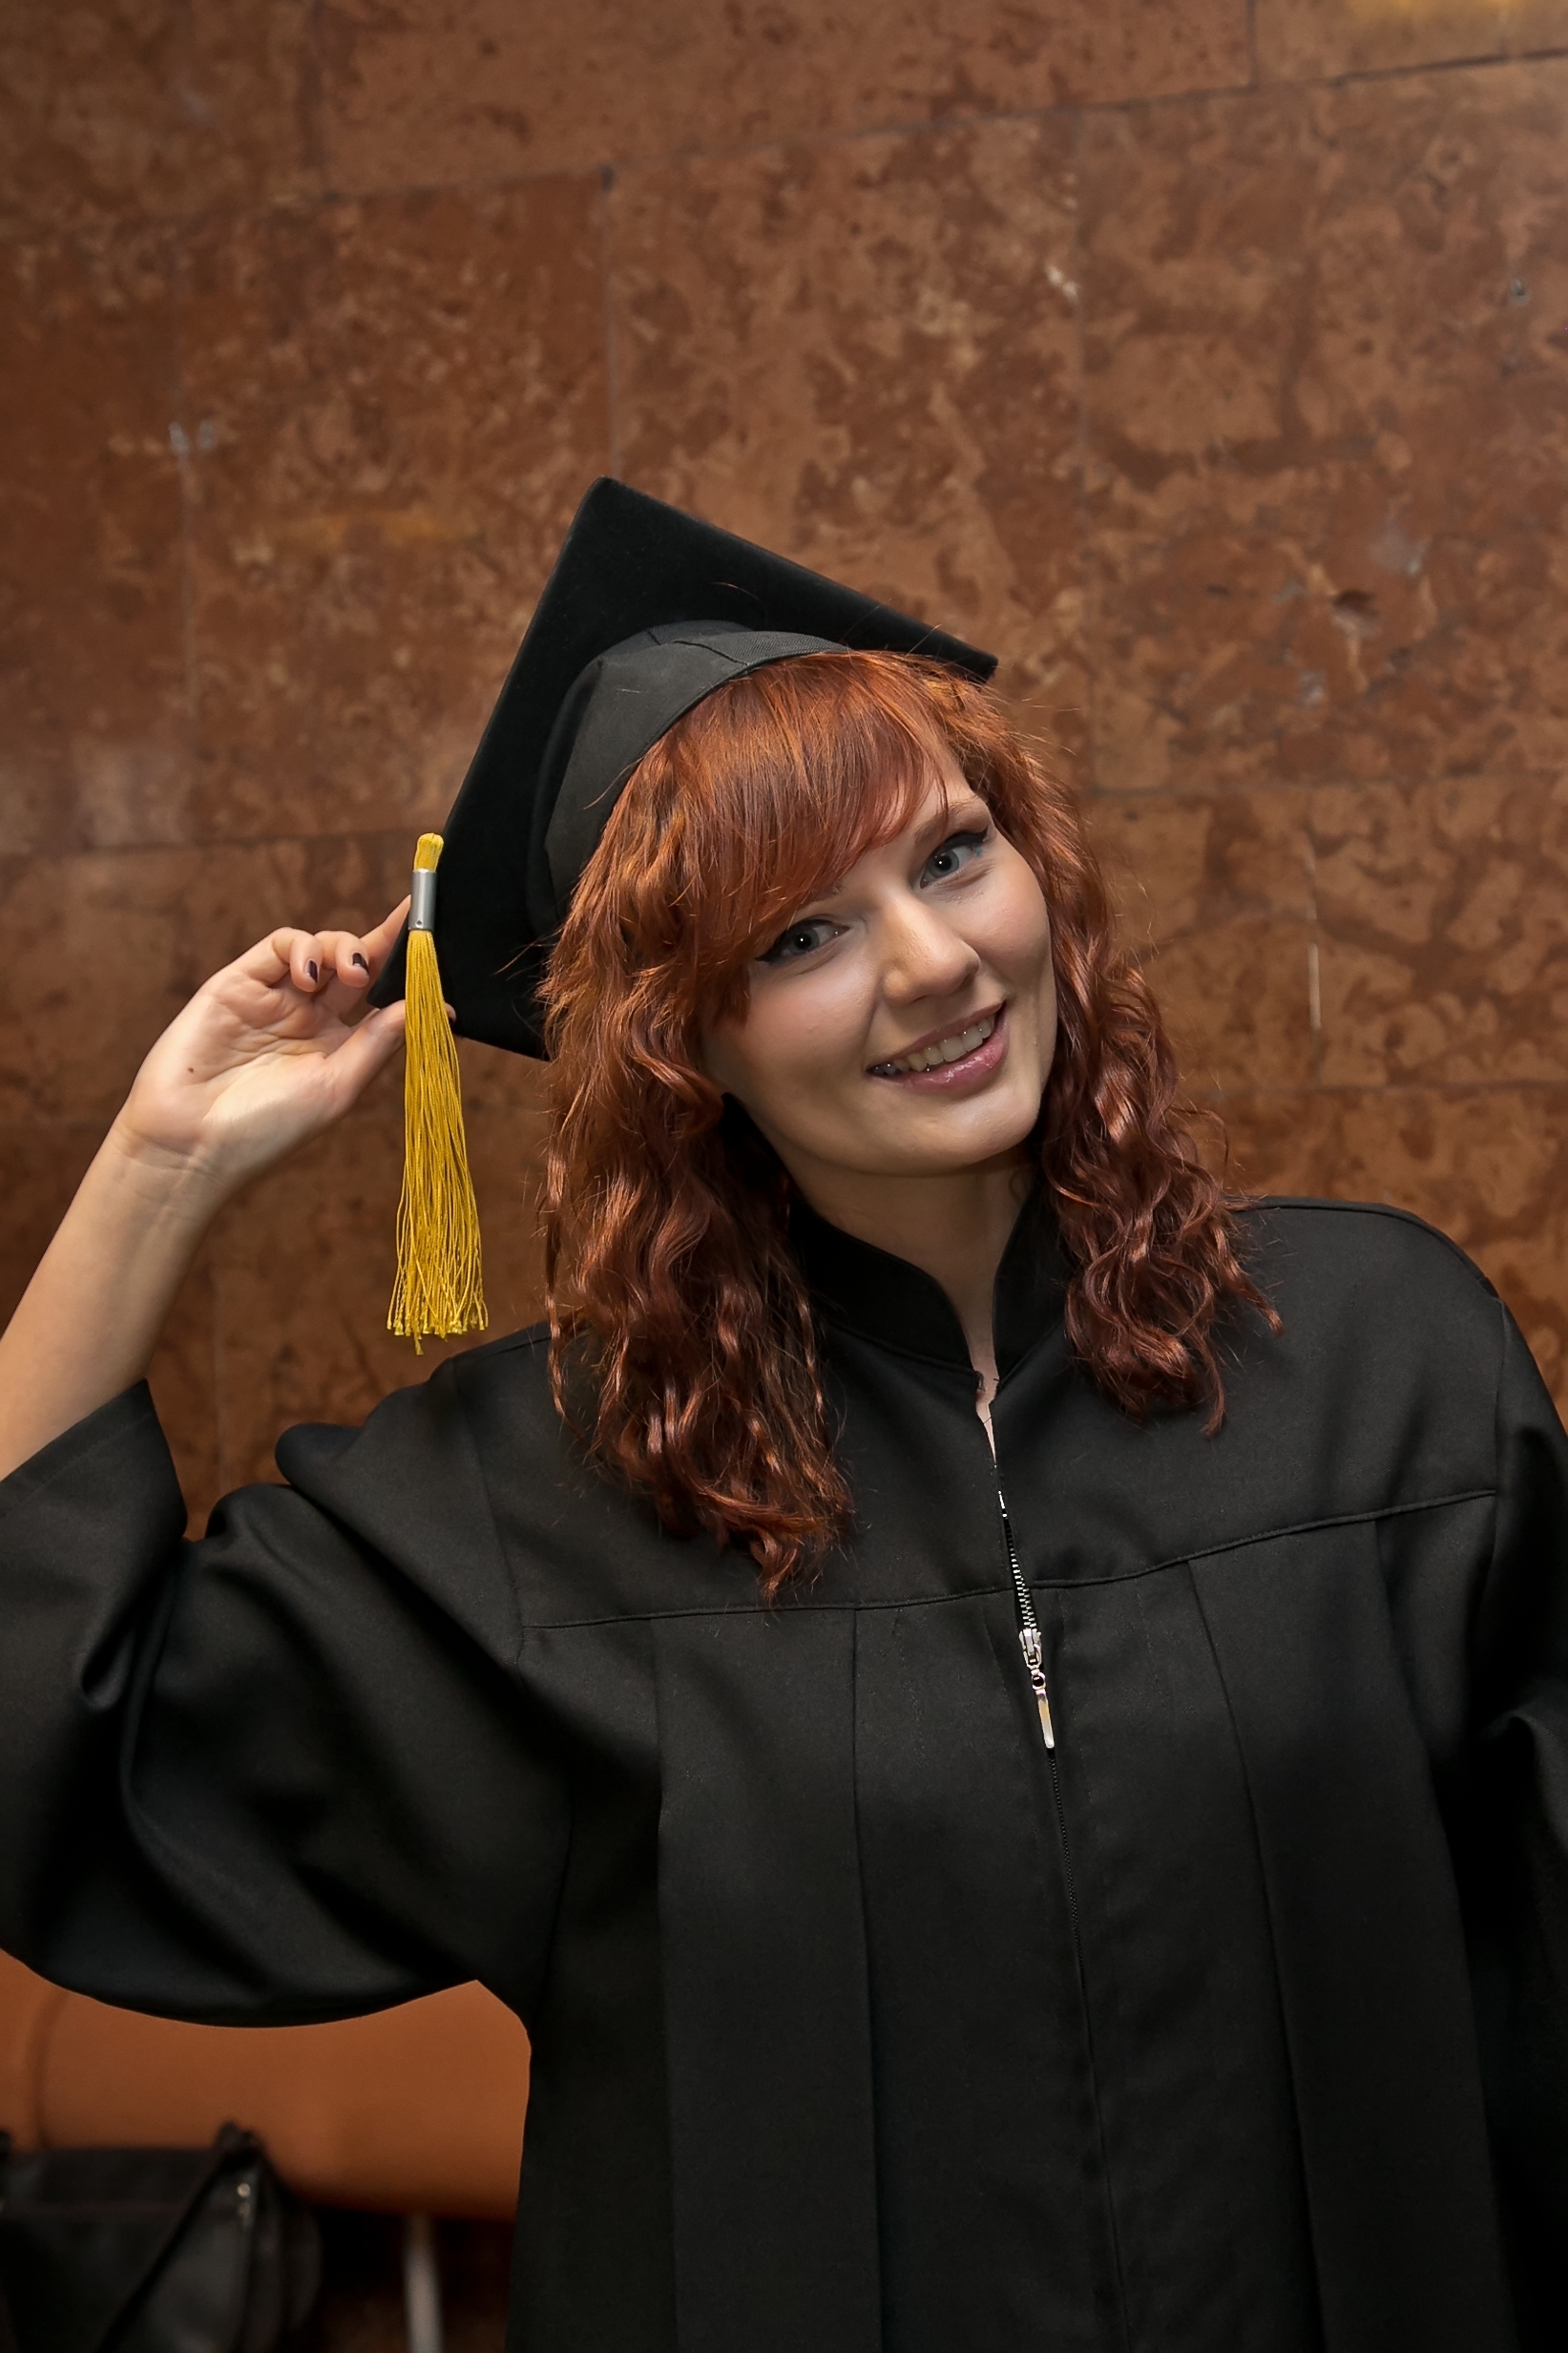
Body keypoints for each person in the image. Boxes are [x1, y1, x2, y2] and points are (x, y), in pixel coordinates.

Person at [0, 482, 1563, 2353]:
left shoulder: (1383, 1366)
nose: (932, 963)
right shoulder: (540, 1500)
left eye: (953, 855)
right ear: (688, 1041)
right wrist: (160, 1167)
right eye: (800, 935)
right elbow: (52, 1738)